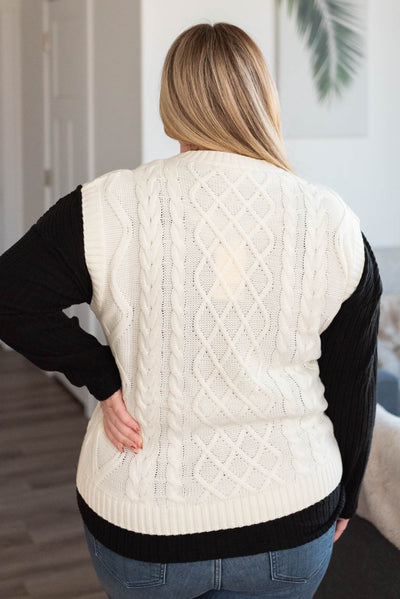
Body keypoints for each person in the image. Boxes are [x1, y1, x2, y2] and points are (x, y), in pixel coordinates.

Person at [0, 21, 382, 599]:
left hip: (143, 530)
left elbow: (10, 295)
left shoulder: (110, 205)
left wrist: (102, 378)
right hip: (290, 519)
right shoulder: (329, 220)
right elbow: (354, 380)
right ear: (263, 99)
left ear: (169, 102)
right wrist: (347, 494)